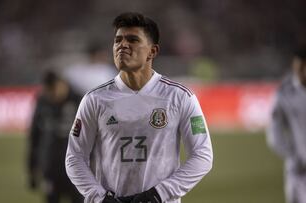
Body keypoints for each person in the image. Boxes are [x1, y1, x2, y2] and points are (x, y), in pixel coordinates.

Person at [65, 12, 213, 203]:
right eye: (118, 40)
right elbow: (75, 157)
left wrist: (159, 194)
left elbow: (202, 155)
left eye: (132, 40)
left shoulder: (180, 97)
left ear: (153, 51)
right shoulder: (94, 99)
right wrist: (99, 197)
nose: (122, 45)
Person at [27, 70, 83, 203]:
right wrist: (32, 168)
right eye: (48, 91)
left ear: (62, 84)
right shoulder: (42, 102)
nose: (52, 95)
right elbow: (35, 136)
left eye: (54, 90)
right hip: (50, 167)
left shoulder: (80, 100)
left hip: (77, 169)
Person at [266, 46, 306, 203]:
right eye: (299, 66)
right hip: (299, 170)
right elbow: (274, 132)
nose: (302, 71)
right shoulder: (285, 93)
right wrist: (292, 156)